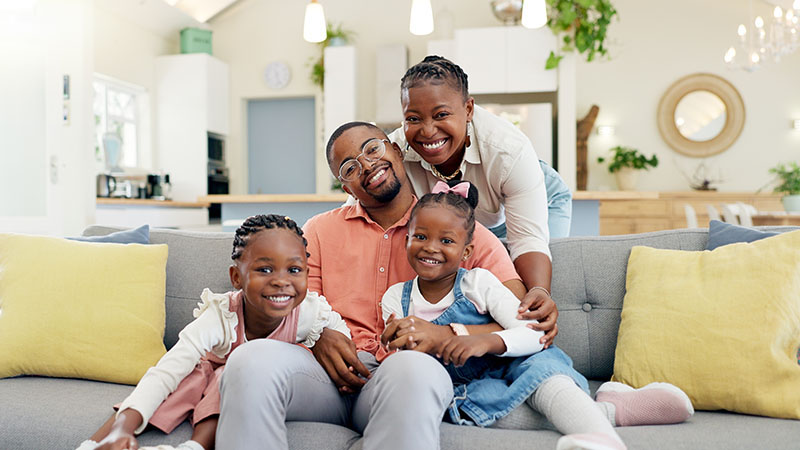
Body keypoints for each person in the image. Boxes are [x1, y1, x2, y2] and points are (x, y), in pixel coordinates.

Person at [216, 122, 535, 450]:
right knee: (248, 360)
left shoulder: (452, 224)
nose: (367, 165)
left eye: (373, 149)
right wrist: (318, 335)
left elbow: (517, 311)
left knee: (412, 369)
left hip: (402, 375)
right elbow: (293, 303)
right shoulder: (319, 230)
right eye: (350, 167)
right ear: (346, 188)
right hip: (322, 379)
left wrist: (449, 334)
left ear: (396, 151)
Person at [380, 180, 694, 450]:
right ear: (406, 240)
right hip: (467, 388)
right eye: (420, 237)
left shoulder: (478, 283)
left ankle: (602, 439)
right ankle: (610, 412)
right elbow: (402, 357)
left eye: (446, 240)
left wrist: (485, 341)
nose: (430, 247)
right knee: (483, 412)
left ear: (465, 252)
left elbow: (533, 332)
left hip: (517, 363)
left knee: (544, 378)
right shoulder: (396, 298)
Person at [78, 215, 350, 450]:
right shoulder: (221, 316)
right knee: (201, 375)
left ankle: (196, 445)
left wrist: (324, 341)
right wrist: (122, 429)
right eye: (265, 269)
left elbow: (343, 339)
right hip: (205, 378)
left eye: (294, 270)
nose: (281, 281)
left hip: (248, 387)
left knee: (228, 374)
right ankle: (100, 441)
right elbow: (166, 372)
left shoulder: (309, 313)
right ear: (236, 277)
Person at [389, 55, 571, 339]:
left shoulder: (508, 150)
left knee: (538, 283)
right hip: (462, 221)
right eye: (413, 118)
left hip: (536, 200)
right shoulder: (396, 150)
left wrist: (538, 290)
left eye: (441, 115)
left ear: (469, 109)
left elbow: (527, 238)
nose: (427, 131)